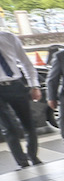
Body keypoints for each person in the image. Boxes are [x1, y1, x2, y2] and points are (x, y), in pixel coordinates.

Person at [0, 30, 43, 169]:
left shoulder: (8, 37)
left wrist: (34, 85)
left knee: (29, 124)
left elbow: (26, 62)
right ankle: (22, 161)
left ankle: (33, 156)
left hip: (16, 85)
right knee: (9, 128)